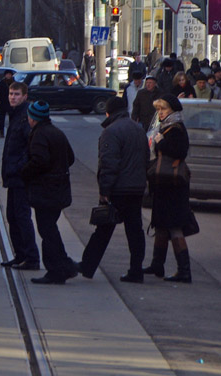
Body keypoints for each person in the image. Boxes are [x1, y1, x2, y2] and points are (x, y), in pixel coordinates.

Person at [77, 96, 148, 282]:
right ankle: (136, 269)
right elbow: (146, 158)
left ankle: (87, 265)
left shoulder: (111, 131)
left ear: (108, 112)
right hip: (137, 187)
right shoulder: (138, 129)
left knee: (103, 229)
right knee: (135, 230)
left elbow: (109, 164)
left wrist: (104, 191)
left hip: (119, 188)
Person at [21, 99, 79, 285]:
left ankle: (56, 270)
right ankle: (65, 265)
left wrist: (25, 172)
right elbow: (69, 157)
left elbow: (40, 161)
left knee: (47, 231)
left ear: (33, 118)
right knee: (50, 229)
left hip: (46, 190)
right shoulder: (56, 132)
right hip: (58, 189)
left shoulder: (39, 135)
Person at [143, 96, 195, 283]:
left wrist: (161, 141)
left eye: (163, 109)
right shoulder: (165, 127)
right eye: (158, 110)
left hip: (173, 185)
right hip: (164, 183)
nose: (160, 113)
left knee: (173, 226)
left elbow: (180, 152)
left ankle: (184, 270)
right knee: (161, 224)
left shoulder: (177, 129)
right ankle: (157, 264)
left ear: (172, 110)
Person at [0, 81, 41, 270]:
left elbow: (30, 147)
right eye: (10, 94)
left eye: (16, 94)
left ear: (25, 96)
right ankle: (21, 255)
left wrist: (18, 167)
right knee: (13, 216)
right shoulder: (16, 115)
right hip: (13, 175)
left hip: (20, 177)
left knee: (21, 216)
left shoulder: (25, 117)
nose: (12, 97)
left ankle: (31, 257)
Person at [0, 70, 15, 138]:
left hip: (11, 102)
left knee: (12, 118)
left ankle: (11, 132)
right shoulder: (2, 82)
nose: (8, 76)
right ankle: (1, 132)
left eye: (9, 74)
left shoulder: (14, 82)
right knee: (2, 118)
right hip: (3, 102)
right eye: (7, 74)